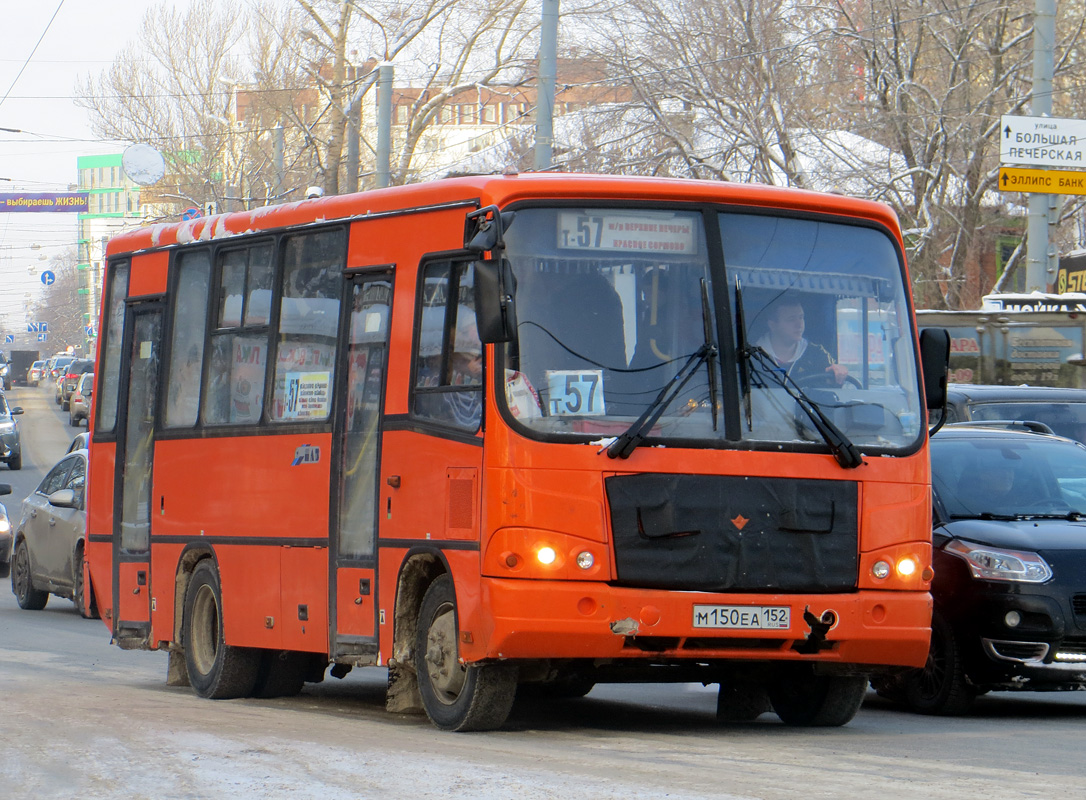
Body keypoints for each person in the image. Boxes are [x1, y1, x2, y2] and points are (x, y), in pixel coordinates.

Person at [755, 298, 848, 385]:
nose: (799, 325)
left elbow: (832, 390)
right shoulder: (752, 356)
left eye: (801, 317)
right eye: (791, 319)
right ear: (773, 325)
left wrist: (839, 373)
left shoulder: (817, 354)